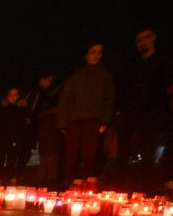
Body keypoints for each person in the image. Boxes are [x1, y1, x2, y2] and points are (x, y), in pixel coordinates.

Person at [115, 26, 172, 193]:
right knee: (122, 154)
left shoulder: (163, 61)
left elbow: (165, 86)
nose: (142, 43)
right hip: (128, 112)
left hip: (149, 113)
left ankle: (147, 191)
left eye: (146, 38)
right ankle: (119, 191)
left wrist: (158, 108)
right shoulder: (131, 64)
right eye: (139, 40)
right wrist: (118, 110)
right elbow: (122, 86)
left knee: (147, 153)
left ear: (153, 37)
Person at [57, 42, 114, 188]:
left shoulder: (105, 75)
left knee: (90, 154)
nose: (96, 55)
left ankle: (86, 184)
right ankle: (69, 182)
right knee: (71, 153)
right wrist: (62, 123)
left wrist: (105, 121)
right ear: (86, 55)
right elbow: (64, 100)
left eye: (99, 52)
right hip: (74, 121)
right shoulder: (76, 76)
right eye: (92, 52)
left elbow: (109, 99)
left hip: (93, 120)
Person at [20, 73, 62, 187]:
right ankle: (46, 179)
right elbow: (32, 109)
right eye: (48, 80)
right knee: (43, 152)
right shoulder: (38, 93)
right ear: (41, 80)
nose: (49, 84)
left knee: (45, 153)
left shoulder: (38, 93)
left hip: (42, 126)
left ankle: (43, 179)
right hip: (40, 126)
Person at [0, 88, 28, 184]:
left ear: (18, 96)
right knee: (1, 158)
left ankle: (11, 176)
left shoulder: (22, 110)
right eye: (10, 95)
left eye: (15, 95)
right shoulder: (2, 109)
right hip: (2, 137)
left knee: (12, 158)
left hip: (15, 137)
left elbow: (23, 124)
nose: (12, 98)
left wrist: (19, 137)